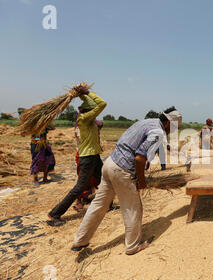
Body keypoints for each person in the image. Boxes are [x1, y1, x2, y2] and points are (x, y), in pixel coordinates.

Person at [71, 107, 182, 255]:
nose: (174, 130)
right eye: (175, 127)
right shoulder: (159, 132)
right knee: (133, 209)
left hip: (110, 164)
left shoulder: (148, 122)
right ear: (168, 123)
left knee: (98, 205)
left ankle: (80, 240)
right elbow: (139, 157)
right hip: (123, 171)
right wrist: (142, 180)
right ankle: (132, 246)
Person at [47, 87, 106, 226]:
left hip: (94, 156)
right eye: (93, 111)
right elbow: (102, 104)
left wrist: (81, 95)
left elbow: (96, 107)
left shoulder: (87, 119)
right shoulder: (84, 119)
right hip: (87, 158)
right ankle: (54, 213)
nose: (96, 113)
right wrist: (88, 93)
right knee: (80, 187)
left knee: (104, 180)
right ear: (88, 112)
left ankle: (107, 205)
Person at [73, 116, 104, 211]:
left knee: (96, 178)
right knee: (84, 181)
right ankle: (79, 201)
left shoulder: (91, 126)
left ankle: (87, 198)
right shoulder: (81, 127)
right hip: (85, 156)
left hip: (93, 154)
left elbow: (100, 124)